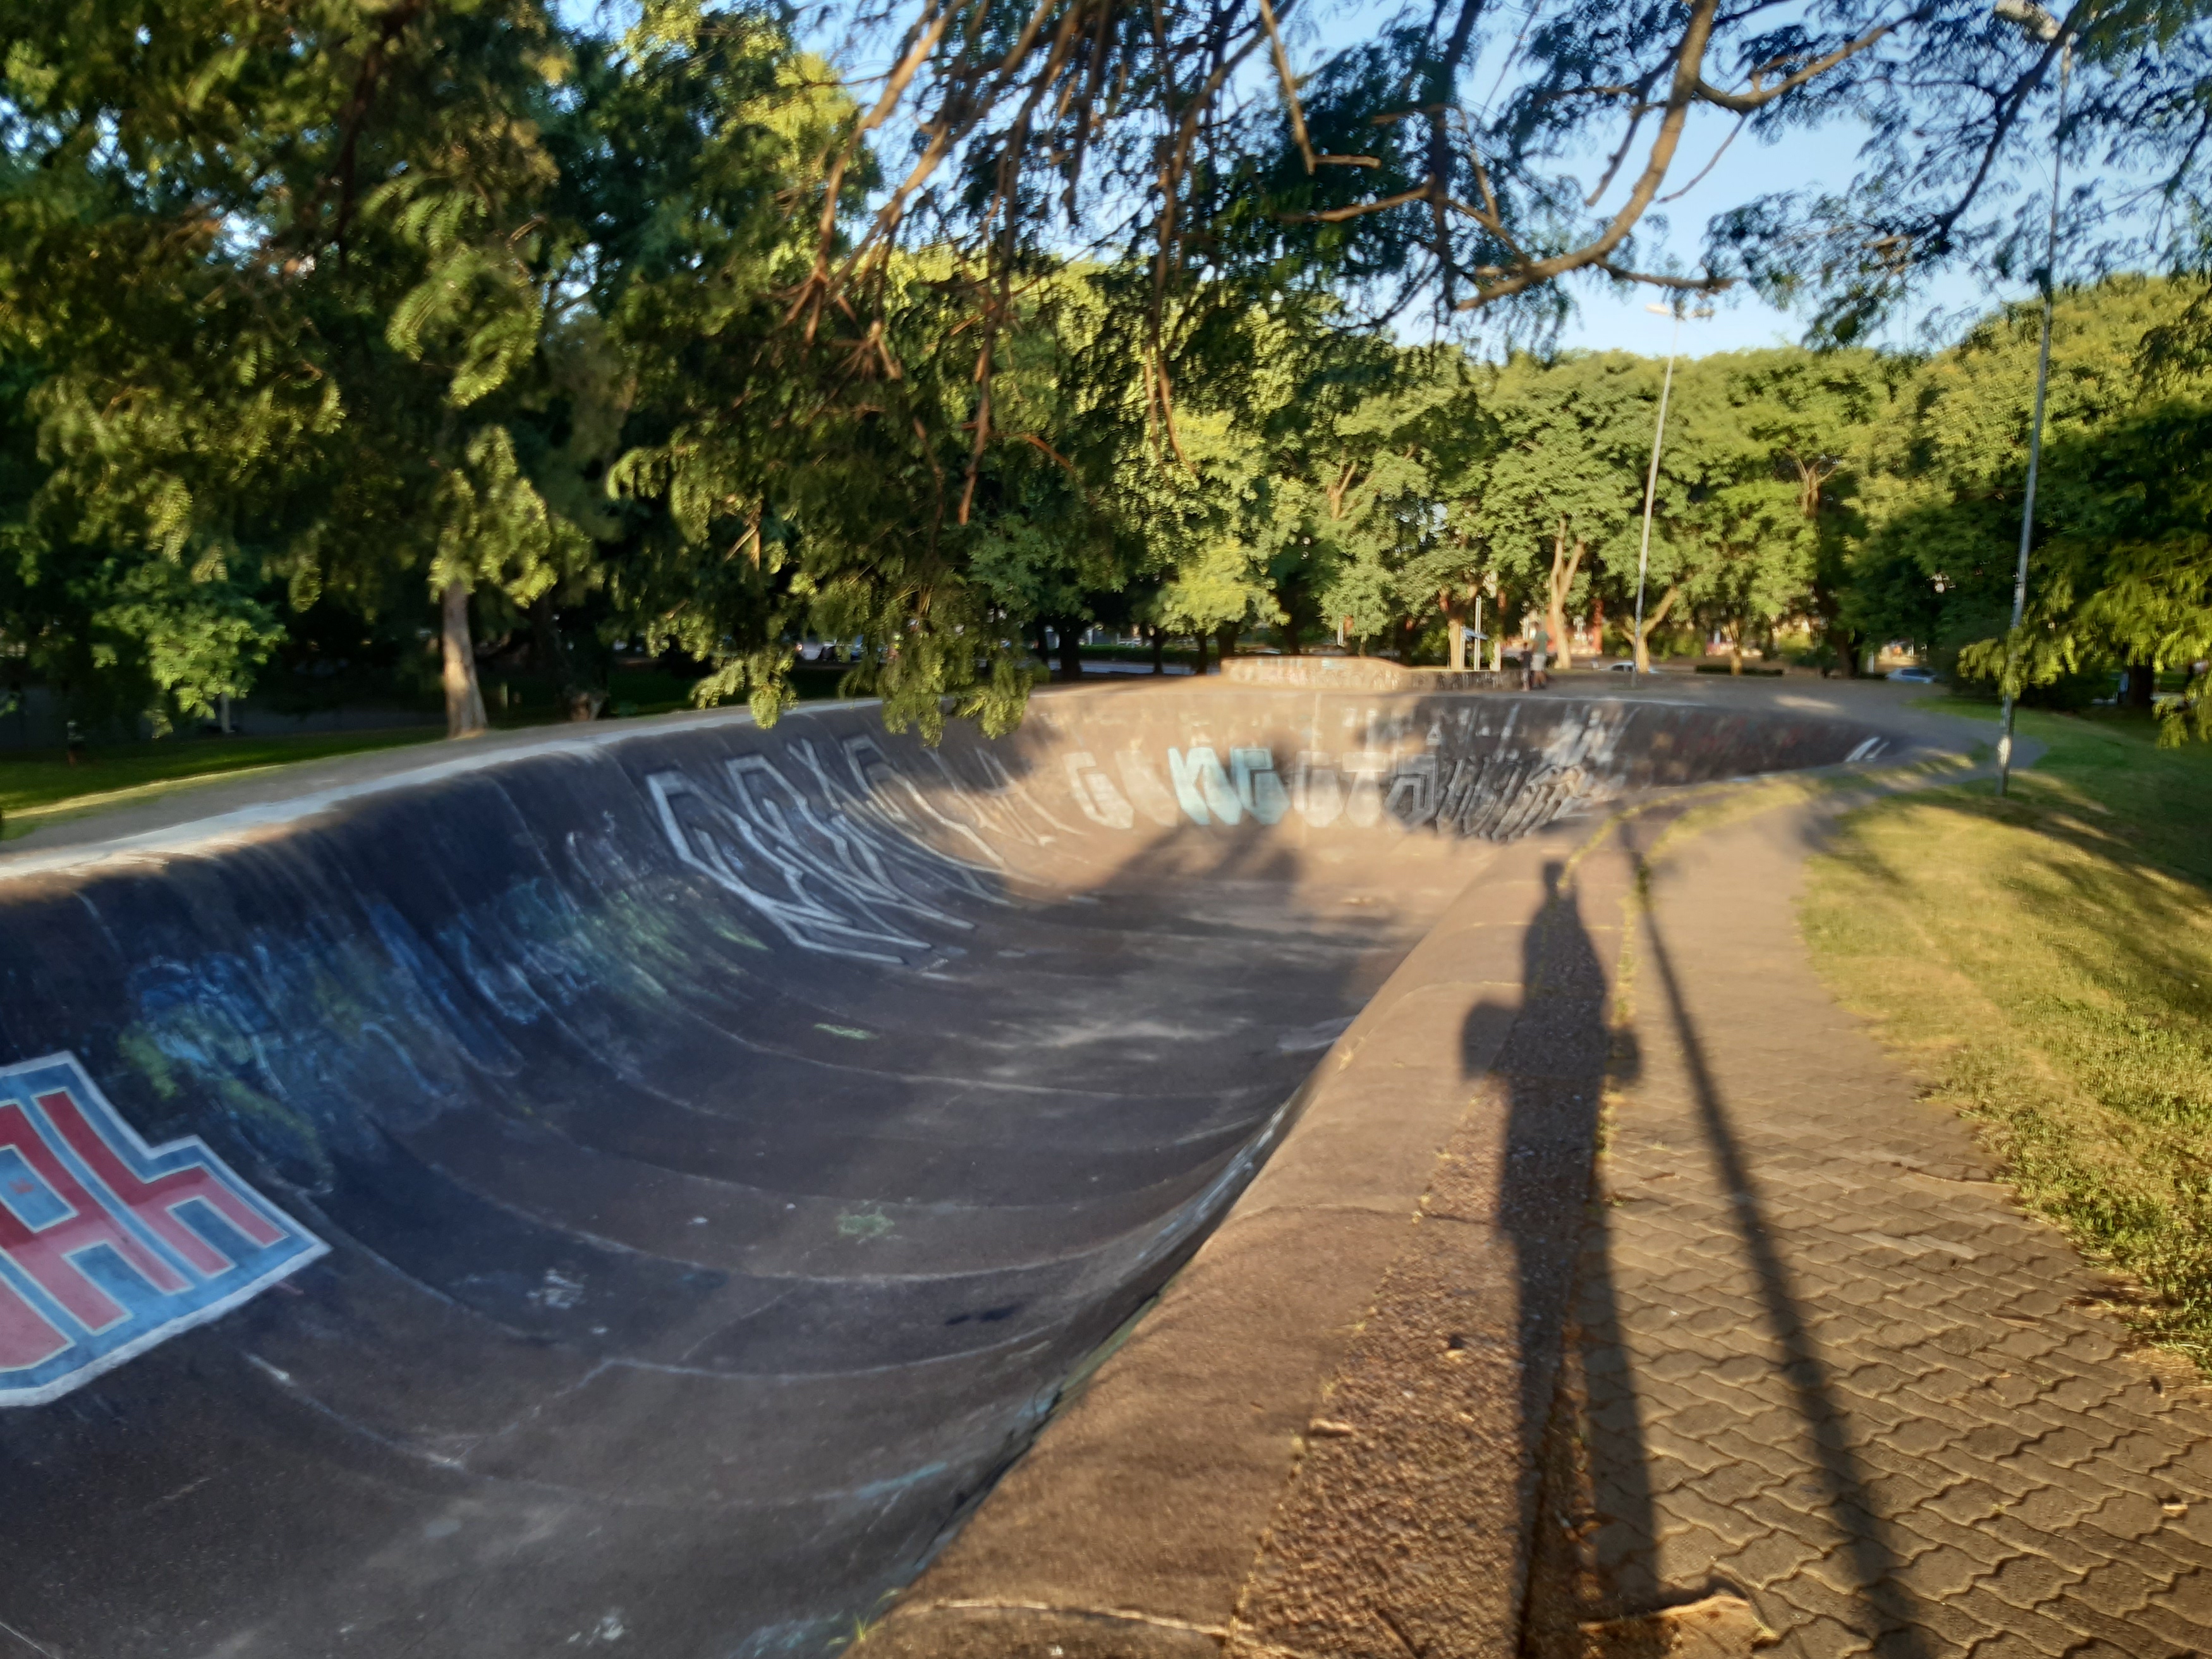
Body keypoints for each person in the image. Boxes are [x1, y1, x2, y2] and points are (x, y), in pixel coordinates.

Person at [1524, 623, 1550, 690]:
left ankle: (1537, 684)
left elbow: (1536, 645)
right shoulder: (1544, 634)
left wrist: (1532, 652)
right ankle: (1541, 683)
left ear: (1536, 627)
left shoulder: (1538, 635)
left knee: (1536, 670)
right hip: (1544, 654)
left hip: (1537, 654)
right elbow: (1549, 641)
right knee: (1540, 669)